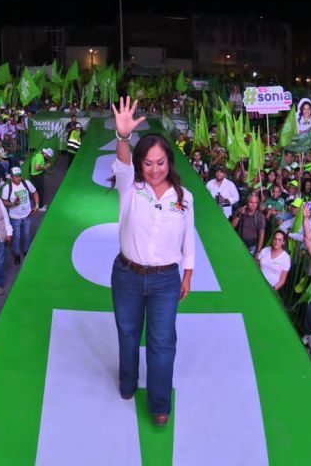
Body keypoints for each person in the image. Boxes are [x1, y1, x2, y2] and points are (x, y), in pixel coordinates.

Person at [110, 97, 194, 426]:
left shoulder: (184, 198)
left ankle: (160, 403)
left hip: (165, 281)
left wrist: (187, 274)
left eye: (160, 163)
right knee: (128, 332)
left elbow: (189, 239)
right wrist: (123, 136)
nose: (155, 169)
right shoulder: (130, 188)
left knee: (162, 342)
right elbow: (122, 162)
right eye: (148, 163)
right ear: (140, 164)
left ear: (169, 162)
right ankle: (128, 382)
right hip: (127, 276)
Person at [0, 167, 39, 265]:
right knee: (16, 237)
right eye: (16, 176)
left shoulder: (26, 183)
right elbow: (4, 202)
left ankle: (26, 251)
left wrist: (37, 205)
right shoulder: (7, 188)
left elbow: (35, 192)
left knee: (26, 234)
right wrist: (14, 204)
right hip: (15, 217)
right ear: (11, 177)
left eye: (19, 176)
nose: (18, 178)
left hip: (27, 215)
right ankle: (17, 254)